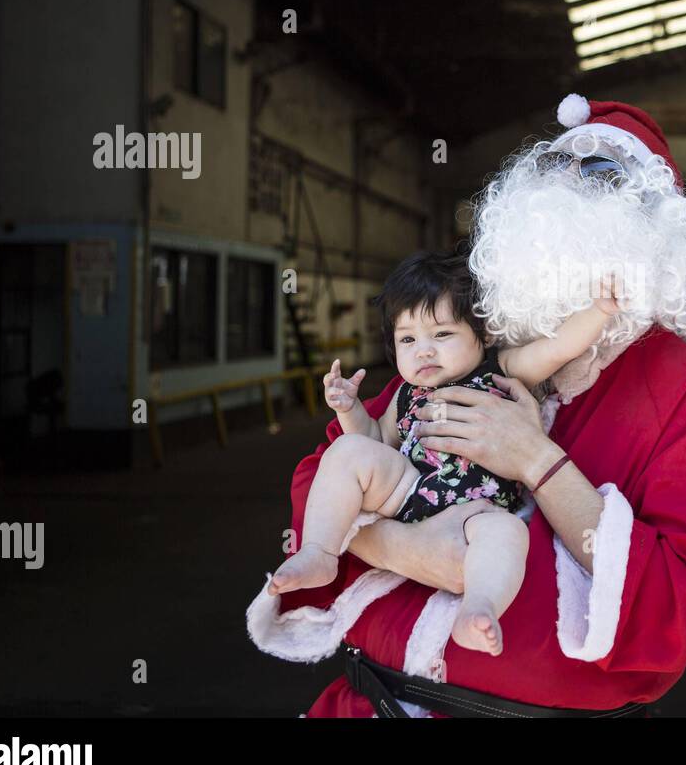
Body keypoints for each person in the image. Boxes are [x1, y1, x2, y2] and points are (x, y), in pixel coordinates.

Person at [246, 94, 686, 717]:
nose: (569, 186)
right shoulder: (464, 345)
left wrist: (537, 459)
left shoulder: (684, 388)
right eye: (553, 169)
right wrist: (405, 547)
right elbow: (321, 477)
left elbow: (678, 601)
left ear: (655, 233)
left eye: (600, 175)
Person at [265, 249, 623, 657]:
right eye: (407, 339)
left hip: (479, 511)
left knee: (507, 534)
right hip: (411, 490)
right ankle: (320, 551)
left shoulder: (499, 369)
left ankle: (478, 606)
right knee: (348, 450)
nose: (424, 351)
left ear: (483, 334)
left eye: (442, 334)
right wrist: (350, 410)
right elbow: (376, 446)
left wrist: (599, 310)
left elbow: (557, 348)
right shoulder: (405, 394)